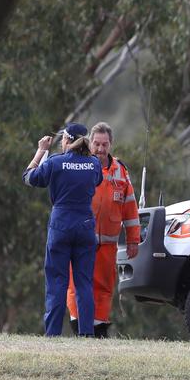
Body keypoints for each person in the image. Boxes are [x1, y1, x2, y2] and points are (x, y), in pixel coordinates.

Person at [22, 123, 101, 337]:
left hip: (61, 225)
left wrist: (41, 151)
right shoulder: (94, 164)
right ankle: (86, 334)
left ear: (66, 140)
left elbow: (29, 178)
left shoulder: (56, 162)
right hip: (85, 225)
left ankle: (53, 334)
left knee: (57, 281)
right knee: (84, 282)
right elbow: (98, 181)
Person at [67, 122, 141, 338]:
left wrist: (133, 240)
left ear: (111, 144)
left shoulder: (121, 171)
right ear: (90, 143)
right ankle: (78, 326)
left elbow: (130, 207)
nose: (100, 149)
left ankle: (99, 329)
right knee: (76, 284)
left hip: (107, 243)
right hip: (81, 239)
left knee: (104, 286)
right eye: (97, 144)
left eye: (104, 144)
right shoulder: (80, 165)